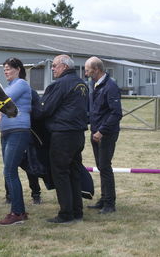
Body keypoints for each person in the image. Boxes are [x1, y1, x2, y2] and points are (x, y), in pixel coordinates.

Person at [36, 54, 88, 224]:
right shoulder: (82, 84)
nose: (52, 68)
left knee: (60, 173)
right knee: (74, 172)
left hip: (63, 134)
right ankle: (77, 212)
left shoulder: (60, 84)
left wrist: (30, 110)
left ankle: (66, 214)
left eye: (55, 66)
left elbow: (45, 109)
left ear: (64, 67)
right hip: (78, 134)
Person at [0, 57, 31, 226]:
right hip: (8, 132)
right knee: (9, 171)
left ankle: (16, 213)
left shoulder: (21, 84)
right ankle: (20, 211)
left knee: (9, 171)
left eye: (8, 68)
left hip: (18, 131)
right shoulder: (11, 86)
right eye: (4, 69)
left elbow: (4, 99)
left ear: (18, 69)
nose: (6, 72)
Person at [85, 56, 122, 214]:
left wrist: (102, 131)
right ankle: (104, 198)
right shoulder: (95, 84)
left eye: (87, 70)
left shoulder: (110, 86)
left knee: (105, 167)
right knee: (101, 167)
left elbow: (116, 113)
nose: (86, 73)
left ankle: (109, 204)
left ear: (97, 70)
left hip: (105, 133)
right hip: (96, 132)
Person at [5, 87, 43, 205]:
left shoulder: (31, 92)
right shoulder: (9, 92)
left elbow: (37, 112)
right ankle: (9, 195)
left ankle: (35, 194)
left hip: (26, 132)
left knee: (28, 164)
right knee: (9, 166)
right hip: (11, 132)